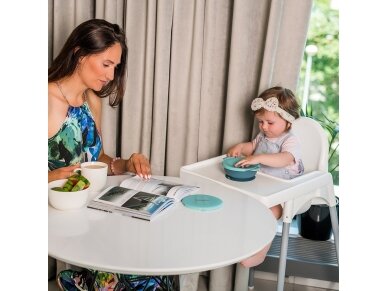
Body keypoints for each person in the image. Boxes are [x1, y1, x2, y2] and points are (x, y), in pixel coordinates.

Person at [48, 19, 175, 290]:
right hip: (59, 215)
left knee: (158, 262)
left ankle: (85, 279)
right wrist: (49, 176)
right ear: (79, 54)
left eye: (115, 67)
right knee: (144, 282)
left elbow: (98, 158)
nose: (110, 75)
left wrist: (126, 162)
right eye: (106, 64)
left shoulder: (91, 100)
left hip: (95, 211)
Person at [227, 86, 304, 267]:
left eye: (269, 123)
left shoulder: (290, 140)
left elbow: (285, 159)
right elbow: (252, 147)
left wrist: (259, 158)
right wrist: (240, 147)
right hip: (261, 188)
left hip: (282, 192)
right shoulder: (262, 135)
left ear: (288, 121)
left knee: (269, 213)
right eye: (261, 122)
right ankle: (242, 243)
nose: (264, 127)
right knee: (239, 204)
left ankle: (258, 252)